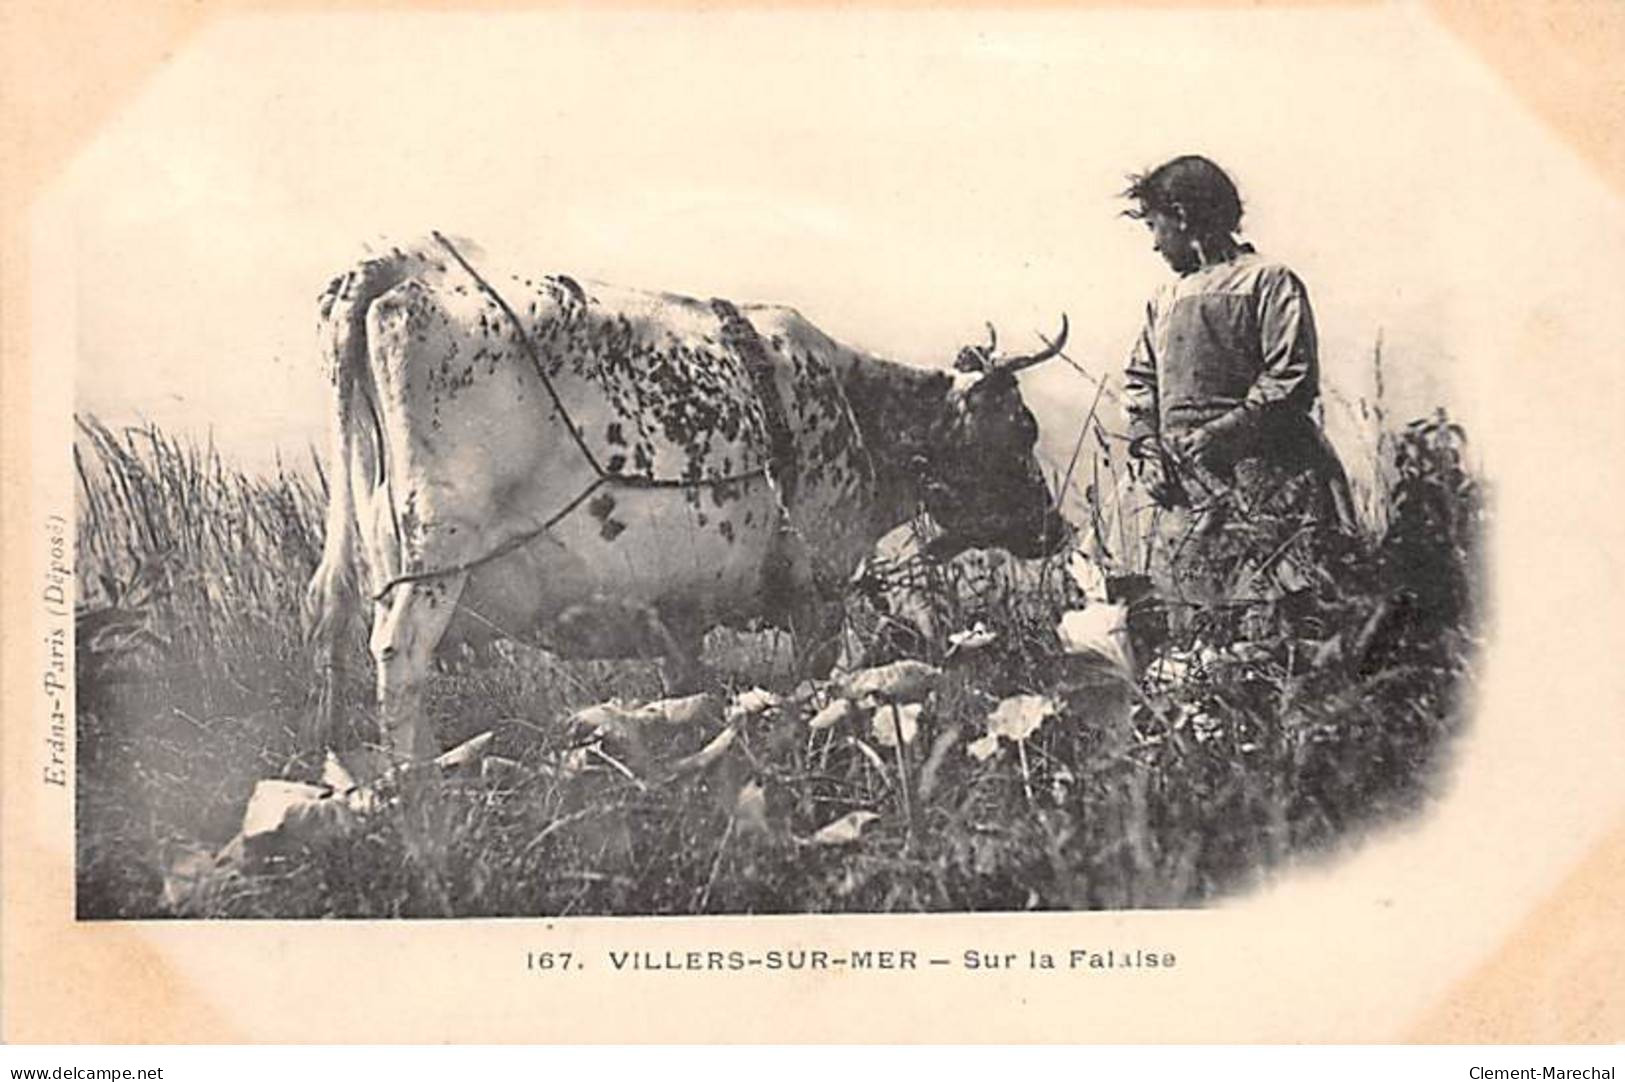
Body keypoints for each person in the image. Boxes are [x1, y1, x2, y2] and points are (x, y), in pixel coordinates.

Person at [1116, 155, 1353, 611]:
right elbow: (1140, 381)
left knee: (1277, 609)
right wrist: (1147, 447)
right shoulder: (1164, 299)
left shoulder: (1268, 280)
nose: (1154, 244)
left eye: (1154, 226)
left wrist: (1222, 433)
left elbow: (1291, 376)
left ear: (1183, 217)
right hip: (1182, 485)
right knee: (1187, 613)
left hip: (1266, 474)